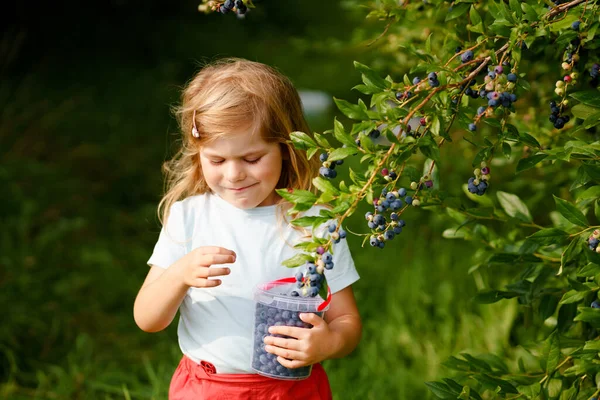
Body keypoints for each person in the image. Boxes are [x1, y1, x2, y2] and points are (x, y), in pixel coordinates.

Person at [133, 58, 362, 400]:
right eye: (217, 160)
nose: (234, 174)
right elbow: (147, 318)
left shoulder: (315, 222)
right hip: (207, 389)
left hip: (292, 389)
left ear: (285, 149)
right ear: (198, 155)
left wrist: (329, 343)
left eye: (252, 159)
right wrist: (178, 275)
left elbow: (346, 319)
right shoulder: (189, 218)